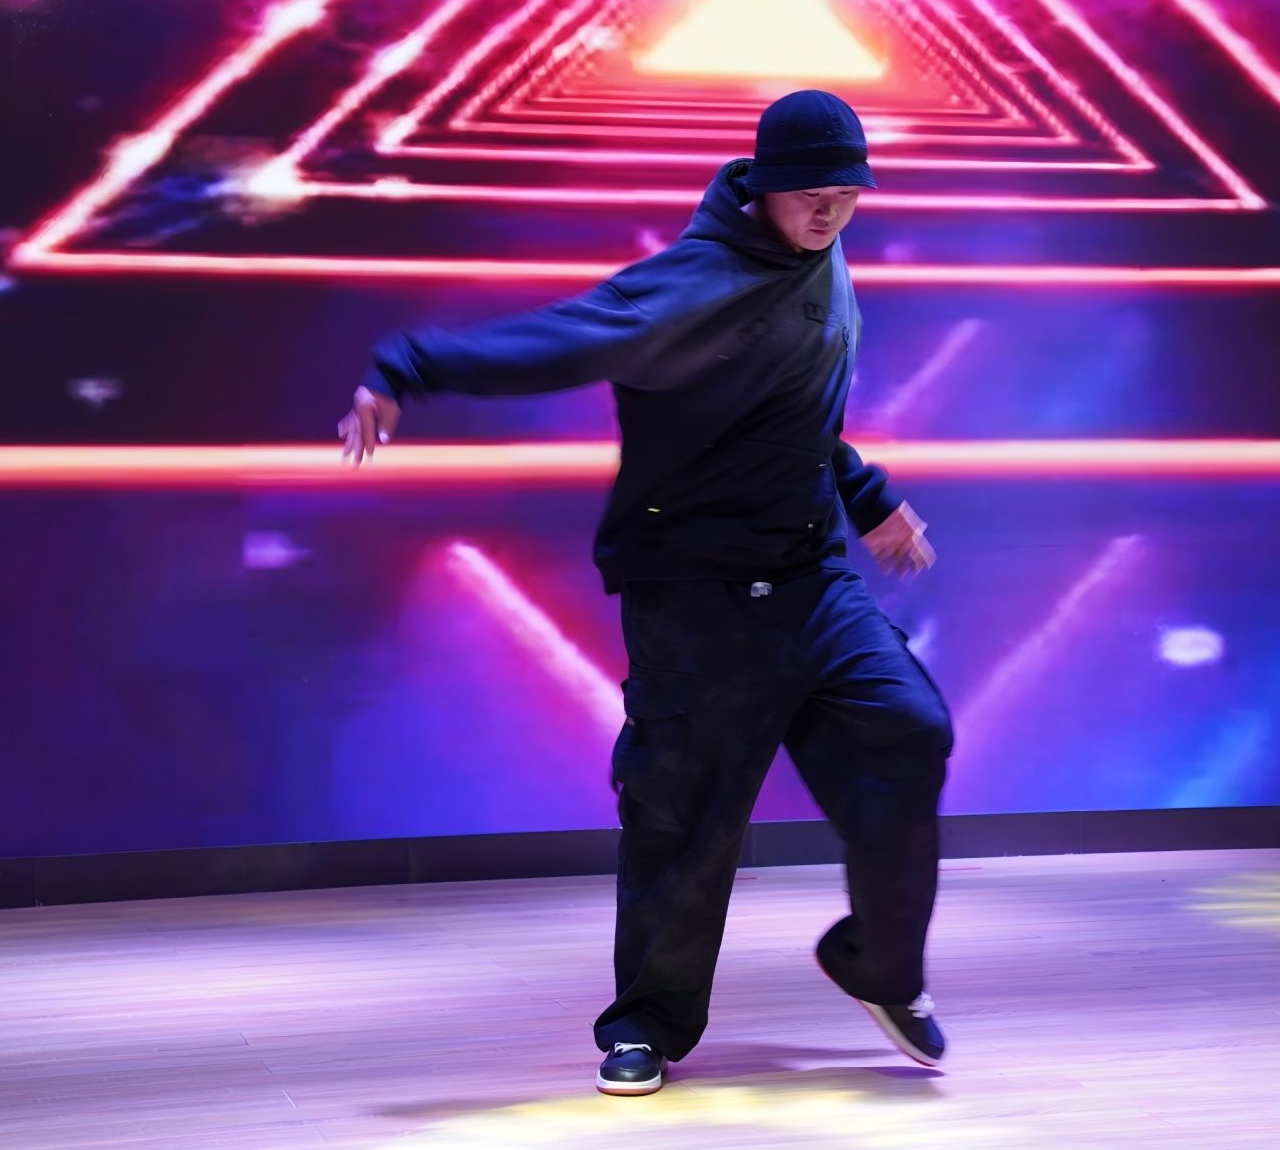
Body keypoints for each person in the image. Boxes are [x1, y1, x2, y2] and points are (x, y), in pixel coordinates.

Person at [340, 90, 954, 1096]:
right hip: (695, 597)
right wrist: (404, 368)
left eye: (846, 195)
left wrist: (869, 497)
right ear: (763, 187)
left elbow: (798, 417)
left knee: (910, 732)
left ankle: (877, 966)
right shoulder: (686, 288)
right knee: (683, 817)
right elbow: (559, 339)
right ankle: (644, 1025)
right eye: (811, 194)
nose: (829, 212)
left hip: (810, 580)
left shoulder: (823, 259)